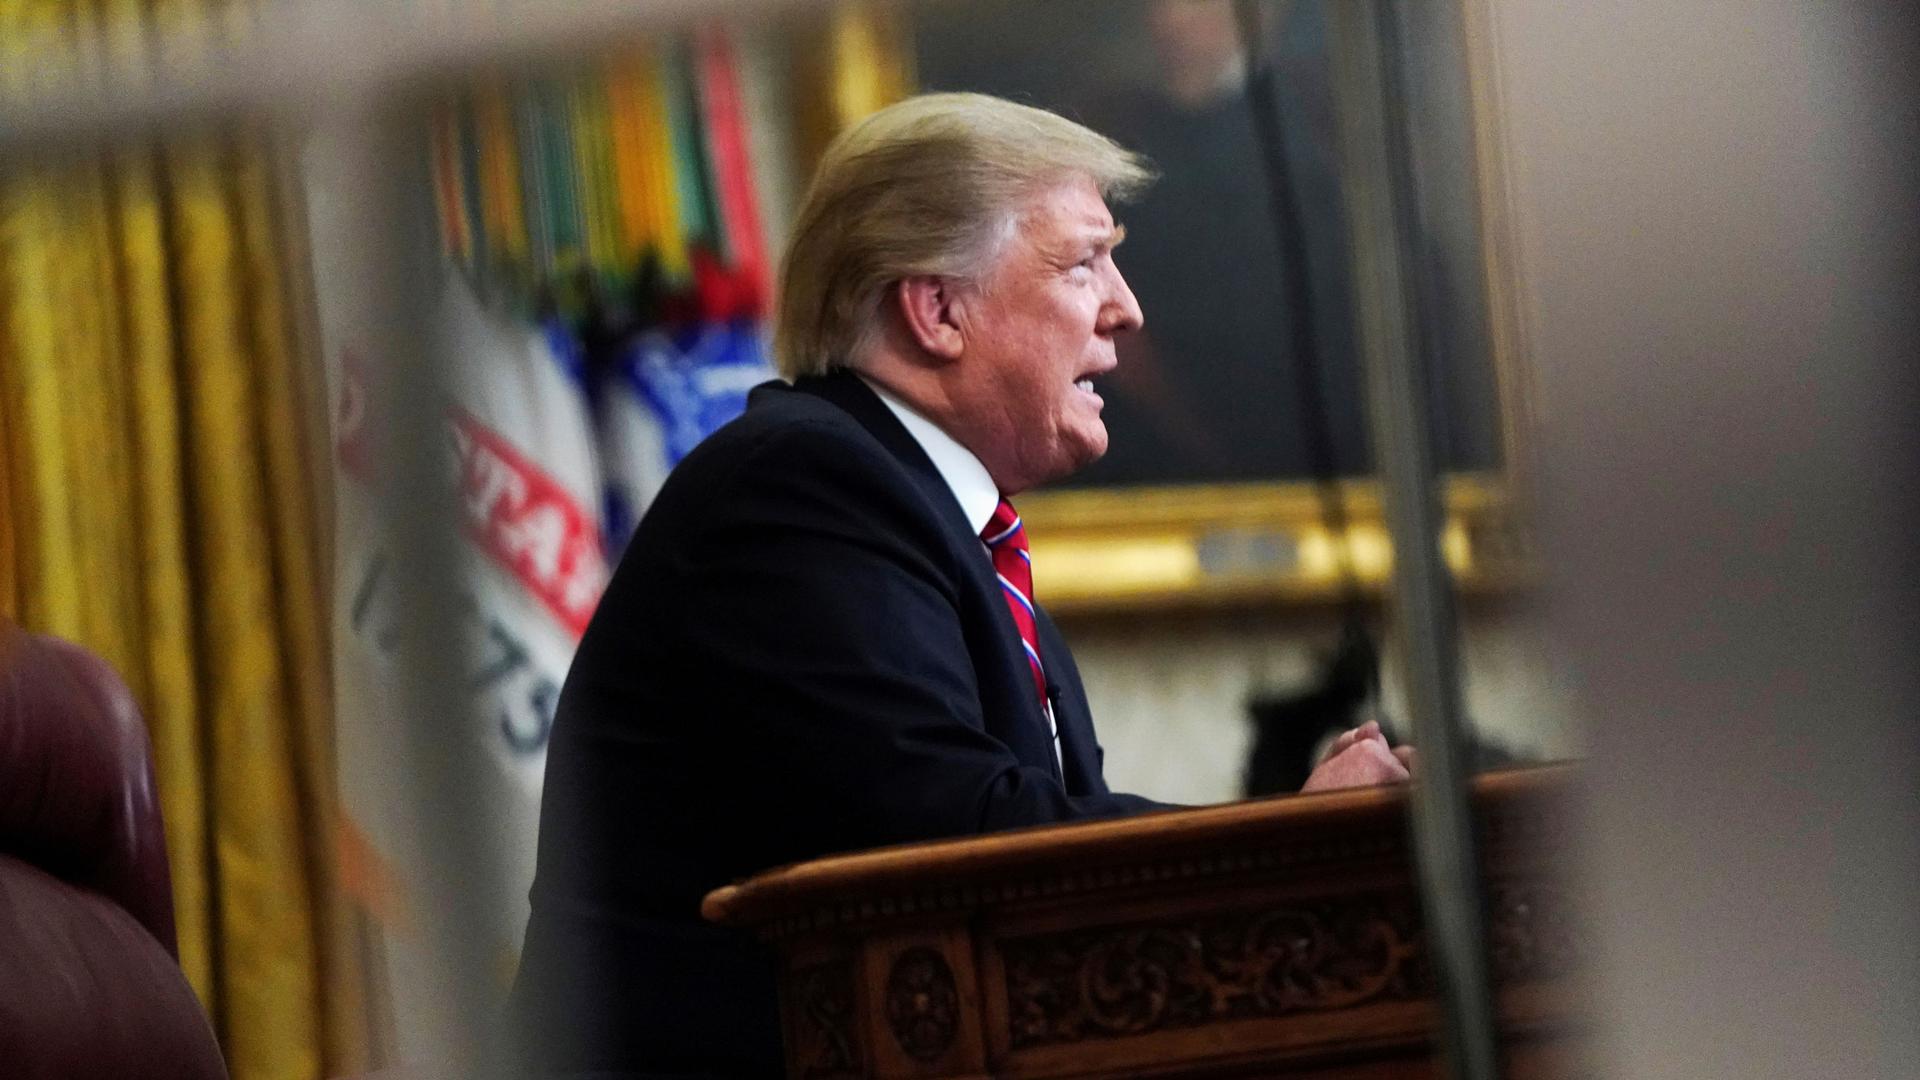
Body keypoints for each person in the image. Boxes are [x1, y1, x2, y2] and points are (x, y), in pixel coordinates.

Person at [505, 92, 1410, 1078]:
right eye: (1083, 262)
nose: (1127, 306)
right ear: (936, 310)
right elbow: (958, 833)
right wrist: (1285, 845)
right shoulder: (801, 488)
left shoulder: (930, 517)